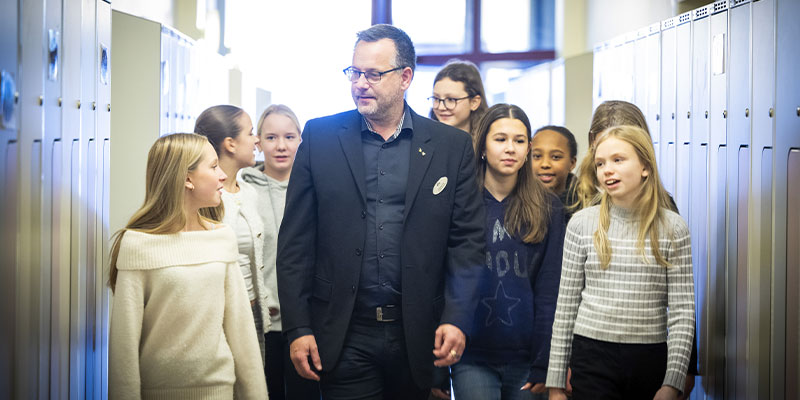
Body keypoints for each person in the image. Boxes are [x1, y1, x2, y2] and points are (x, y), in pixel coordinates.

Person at [276, 24, 486, 400]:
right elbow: (295, 243)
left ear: (405, 77)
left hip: (418, 332)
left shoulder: (450, 146)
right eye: (354, 72)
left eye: (373, 74)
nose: (360, 83)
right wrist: (298, 327)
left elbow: (467, 242)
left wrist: (457, 316)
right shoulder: (321, 138)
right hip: (343, 332)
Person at [108, 133, 268, 399]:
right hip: (157, 392)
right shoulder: (137, 245)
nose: (221, 176)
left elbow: (241, 334)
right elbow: (123, 346)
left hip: (219, 389)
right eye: (213, 166)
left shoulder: (221, 237)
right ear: (187, 178)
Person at [545, 125, 695, 400]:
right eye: (601, 163)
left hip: (649, 357)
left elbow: (683, 312)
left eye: (618, 160)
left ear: (645, 167)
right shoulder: (581, 223)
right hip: (591, 355)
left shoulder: (673, 227)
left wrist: (672, 383)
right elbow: (566, 305)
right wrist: (555, 385)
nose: (607, 170)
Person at [447, 104, 564, 400]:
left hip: (527, 358)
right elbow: (440, 280)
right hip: (470, 354)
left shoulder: (547, 207)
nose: (510, 148)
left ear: (528, 149)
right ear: (483, 146)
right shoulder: (458, 202)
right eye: (500, 139)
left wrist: (545, 361)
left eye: (519, 140)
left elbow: (550, 290)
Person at [241, 104, 321, 400]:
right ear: (258, 142)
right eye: (271, 137)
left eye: (289, 136)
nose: (281, 146)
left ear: (301, 140)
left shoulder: (317, 187)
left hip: (307, 322)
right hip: (261, 322)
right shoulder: (243, 190)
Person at [194, 104, 273, 366]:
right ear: (230, 143)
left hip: (253, 310)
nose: (257, 140)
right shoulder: (205, 197)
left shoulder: (248, 191)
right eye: (251, 133)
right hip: (220, 314)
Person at [531, 125, 578, 222]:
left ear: (572, 163)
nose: (545, 164)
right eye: (537, 156)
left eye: (556, 157)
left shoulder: (588, 207)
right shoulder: (514, 202)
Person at [429, 59, 488, 136]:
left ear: (474, 103)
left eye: (451, 99)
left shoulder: (488, 144)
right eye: (436, 99)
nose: (441, 107)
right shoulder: (423, 140)